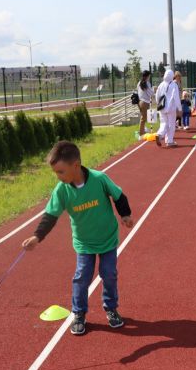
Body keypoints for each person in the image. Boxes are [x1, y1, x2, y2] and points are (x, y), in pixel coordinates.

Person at [22, 141, 135, 336]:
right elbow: (51, 216)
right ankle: (79, 313)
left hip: (107, 238)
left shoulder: (99, 179)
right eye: (56, 172)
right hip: (84, 242)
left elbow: (119, 196)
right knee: (82, 276)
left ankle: (110, 308)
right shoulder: (61, 190)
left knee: (108, 274)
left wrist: (125, 215)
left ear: (75, 166)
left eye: (61, 172)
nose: (58, 176)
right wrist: (37, 237)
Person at [155, 69, 182, 147]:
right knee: (171, 125)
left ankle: (159, 134)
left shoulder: (161, 85)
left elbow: (157, 96)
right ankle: (169, 141)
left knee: (163, 123)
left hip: (161, 108)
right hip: (171, 108)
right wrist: (179, 108)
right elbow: (176, 97)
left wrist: (158, 104)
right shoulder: (174, 85)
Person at [136, 70, 153, 138]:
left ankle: (143, 130)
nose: (149, 77)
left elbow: (138, 91)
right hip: (145, 102)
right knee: (143, 118)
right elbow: (150, 93)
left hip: (140, 102)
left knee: (143, 118)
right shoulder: (147, 83)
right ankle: (141, 134)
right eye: (149, 76)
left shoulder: (139, 83)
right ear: (147, 76)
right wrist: (154, 91)